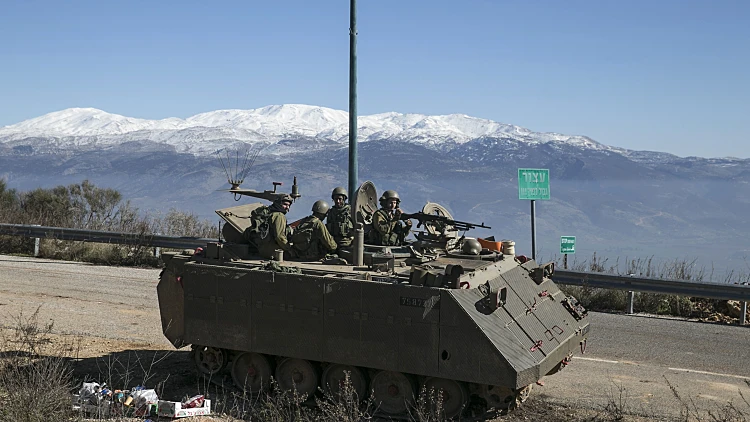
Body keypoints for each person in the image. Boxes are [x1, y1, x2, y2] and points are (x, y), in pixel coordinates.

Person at [244, 194, 295, 259]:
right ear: (278, 203)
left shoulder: (266, 213)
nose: (287, 207)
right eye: (285, 204)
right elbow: (280, 237)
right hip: (274, 252)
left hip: (262, 250)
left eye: (289, 205)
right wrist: (289, 249)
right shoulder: (279, 216)